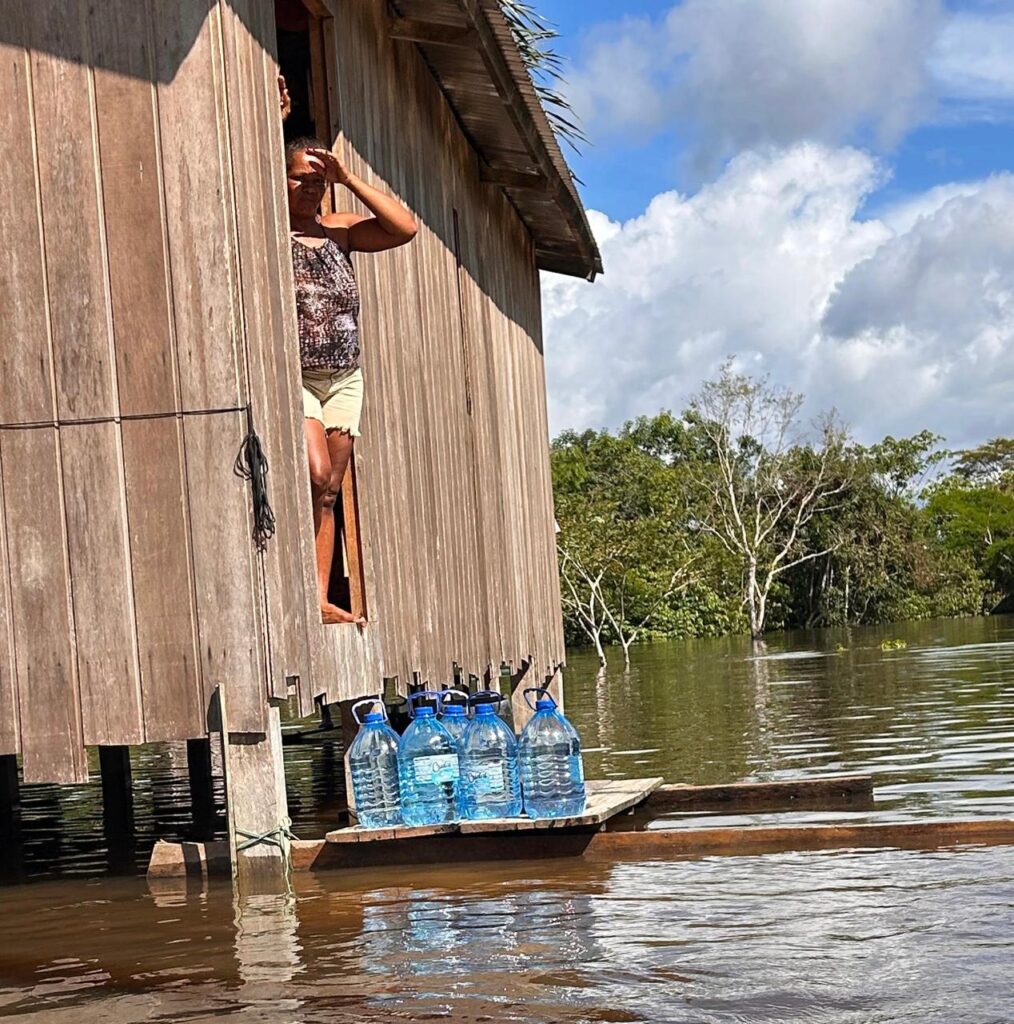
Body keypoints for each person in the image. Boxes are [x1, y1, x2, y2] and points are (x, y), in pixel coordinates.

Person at [285, 135, 417, 623]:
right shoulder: (271, 229)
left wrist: (348, 179)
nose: (310, 188)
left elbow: (404, 228)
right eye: (301, 178)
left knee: (328, 491)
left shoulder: (338, 231)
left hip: (344, 377)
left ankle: (320, 598)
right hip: (297, 376)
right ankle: (299, 584)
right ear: (280, 177)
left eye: (318, 181)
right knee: (316, 472)